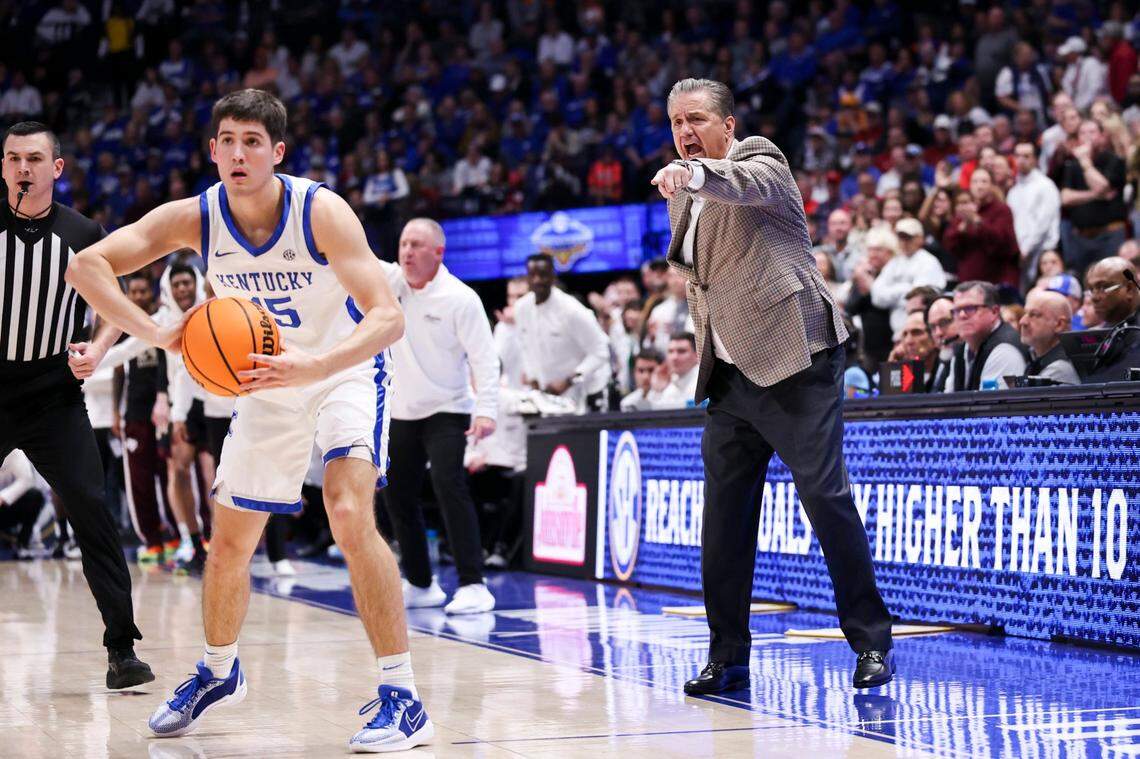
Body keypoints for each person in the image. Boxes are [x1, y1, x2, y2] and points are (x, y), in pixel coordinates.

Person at [65, 89, 433, 750]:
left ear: (277, 152)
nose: (238, 154)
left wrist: (316, 365)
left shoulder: (321, 211)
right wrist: (156, 331)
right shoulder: (197, 217)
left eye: (253, 143)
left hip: (343, 367)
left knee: (350, 513)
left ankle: (402, 694)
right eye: (228, 141)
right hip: (266, 384)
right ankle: (217, 668)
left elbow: (388, 316)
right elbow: (86, 264)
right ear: (212, 151)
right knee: (228, 539)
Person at [650, 78, 893, 695]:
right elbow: (701, 279)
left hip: (796, 358)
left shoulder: (760, 159)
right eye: (677, 121)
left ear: (727, 125)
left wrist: (698, 175)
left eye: (697, 118)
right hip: (729, 375)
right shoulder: (682, 191)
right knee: (723, 522)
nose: (685, 131)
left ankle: (870, 642)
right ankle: (727, 657)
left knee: (825, 498)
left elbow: (742, 186)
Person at [0, 121, 152, 689]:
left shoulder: (84, 233)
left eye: (34, 158)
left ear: (55, 168)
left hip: (52, 392)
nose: (22, 168)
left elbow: (117, 302)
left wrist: (99, 344)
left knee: (91, 507)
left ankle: (122, 650)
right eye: (13, 158)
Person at [379, 217, 500, 615]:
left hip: (449, 407)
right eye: (403, 245)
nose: (407, 253)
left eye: (416, 245)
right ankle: (419, 581)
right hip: (402, 410)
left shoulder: (460, 298)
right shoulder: (390, 284)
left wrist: (487, 411)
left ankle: (473, 585)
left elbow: (484, 359)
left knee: (449, 485)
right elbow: (352, 258)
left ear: (438, 253)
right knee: (397, 495)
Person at [513, 253, 611, 403]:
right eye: (532, 275)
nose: (537, 280)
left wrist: (569, 380)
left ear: (553, 277)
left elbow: (601, 351)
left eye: (543, 275)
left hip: (584, 394)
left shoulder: (572, 310)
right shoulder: (521, 308)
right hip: (543, 395)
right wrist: (532, 376)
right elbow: (525, 346)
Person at [1058, 119, 1128, 274]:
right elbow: (1065, 198)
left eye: (1092, 132)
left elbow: (1102, 185)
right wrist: (1095, 195)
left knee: (1112, 280)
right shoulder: (1072, 165)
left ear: (1102, 136)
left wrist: (1085, 162)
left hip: (1109, 234)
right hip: (1081, 237)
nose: (1087, 137)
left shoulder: (1114, 160)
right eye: (1083, 133)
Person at [945, 281, 1028, 391]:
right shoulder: (962, 349)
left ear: (994, 312)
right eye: (957, 310)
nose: (962, 315)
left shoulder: (1005, 351)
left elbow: (989, 406)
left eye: (970, 308)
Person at [870, 218, 947, 334]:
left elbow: (917, 300)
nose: (904, 242)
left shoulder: (928, 262)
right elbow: (876, 297)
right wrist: (905, 288)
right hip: (897, 332)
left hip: (922, 330)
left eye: (908, 238)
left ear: (920, 238)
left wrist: (893, 293)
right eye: (901, 238)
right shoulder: (895, 262)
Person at [1006, 142, 1061, 293]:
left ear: (1035, 159)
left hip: (1043, 252)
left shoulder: (1046, 186)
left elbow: (1043, 223)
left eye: (1026, 156)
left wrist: (1026, 249)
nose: (1021, 160)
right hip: (1021, 254)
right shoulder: (1013, 191)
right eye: (1017, 156)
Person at [1084, 257, 1140, 382]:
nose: (1094, 297)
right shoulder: (1097, 335)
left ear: (1129, 289)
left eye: (1103, 287)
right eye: (1091, 289)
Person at [1018, 291, 1080, 385]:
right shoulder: (1035, 357)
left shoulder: (1060, 369)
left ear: (1059, 324)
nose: (1022, 322)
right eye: (1025, 314)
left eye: (1034, 315)